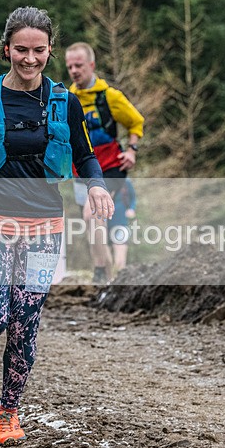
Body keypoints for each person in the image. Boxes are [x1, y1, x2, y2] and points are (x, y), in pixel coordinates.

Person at [0, 7, 114, 446]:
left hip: (44, 226)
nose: (30, 59)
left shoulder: (65, 101)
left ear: (50, 51)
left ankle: (8, 413)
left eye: (39, 50)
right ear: (6, 48)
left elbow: (85, 155)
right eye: (21, 50)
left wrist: (98, 187)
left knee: (26, 323)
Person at [65, 42, 144, 284]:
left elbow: (136, 122)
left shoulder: (110, 96)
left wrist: (131, 150)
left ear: (91, 65)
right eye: (69, 67)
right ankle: (100, 271)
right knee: (91, 224)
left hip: (110, 166)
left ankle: (110, 273)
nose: (74, 71)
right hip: (81, 171)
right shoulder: (67, 98)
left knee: (92, 214)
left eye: (79, 65)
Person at [108, 177, 137, 273]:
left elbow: (133, 198)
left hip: (122, 222)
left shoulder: (125, 182)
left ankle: (120, 277)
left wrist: (131, 209)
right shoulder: (101, 181)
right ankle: (109, 277)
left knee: (120, 249)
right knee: (106, 251)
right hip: (105, 223)